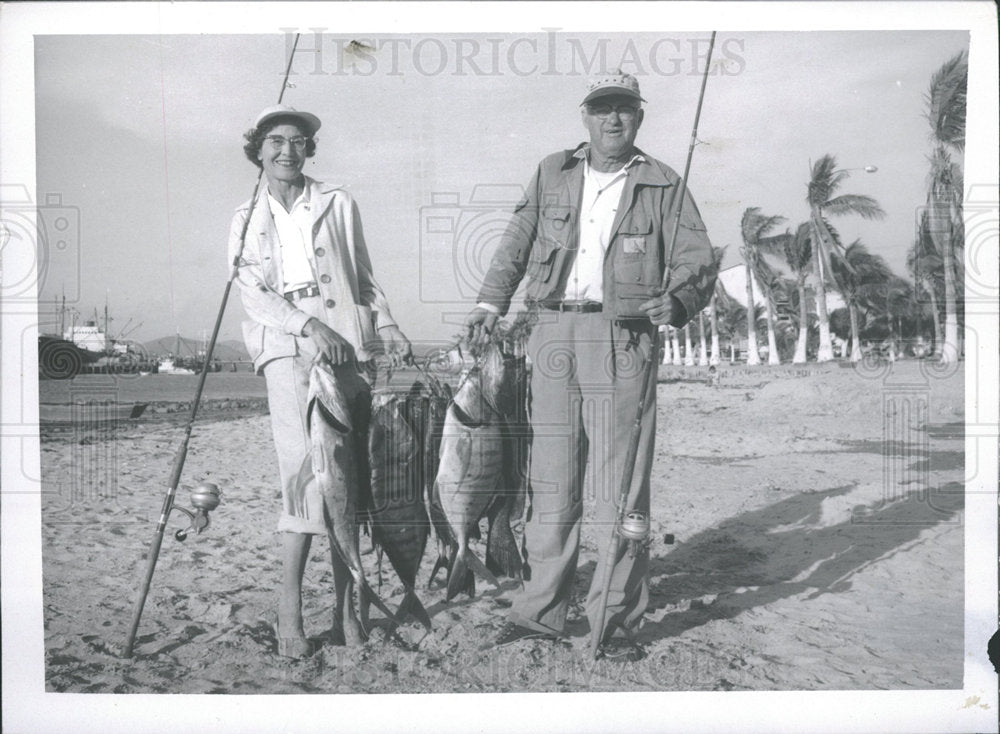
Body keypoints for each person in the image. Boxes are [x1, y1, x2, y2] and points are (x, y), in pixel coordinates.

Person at [466, 71, 716, 661]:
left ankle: (617, 619)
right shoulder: (553, 171)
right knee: (550, 479)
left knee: (622, 484)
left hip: (623, 337)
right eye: (602, 109)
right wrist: (488, 303)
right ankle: (539, 615)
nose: (613, 120)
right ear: (585, 116)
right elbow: (516, 241)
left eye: (624, 110)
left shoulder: (664, 183)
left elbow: (697, 260)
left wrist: (676, 298)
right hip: (551, 330)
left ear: (639, 118)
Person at [229, 104, 411, 658]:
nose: (287, 150)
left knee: (351, 476)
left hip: (348, 341)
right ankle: (289, 607)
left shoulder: (337, 199)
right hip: (286, 346)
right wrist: (307, 325)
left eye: (298, 140)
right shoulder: (243, 217)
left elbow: (363, 274)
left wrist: (387, 324)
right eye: (276, 141)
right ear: (257, 149)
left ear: (310, 148)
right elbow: (251, 291)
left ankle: (347, 607)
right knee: (305, 474)